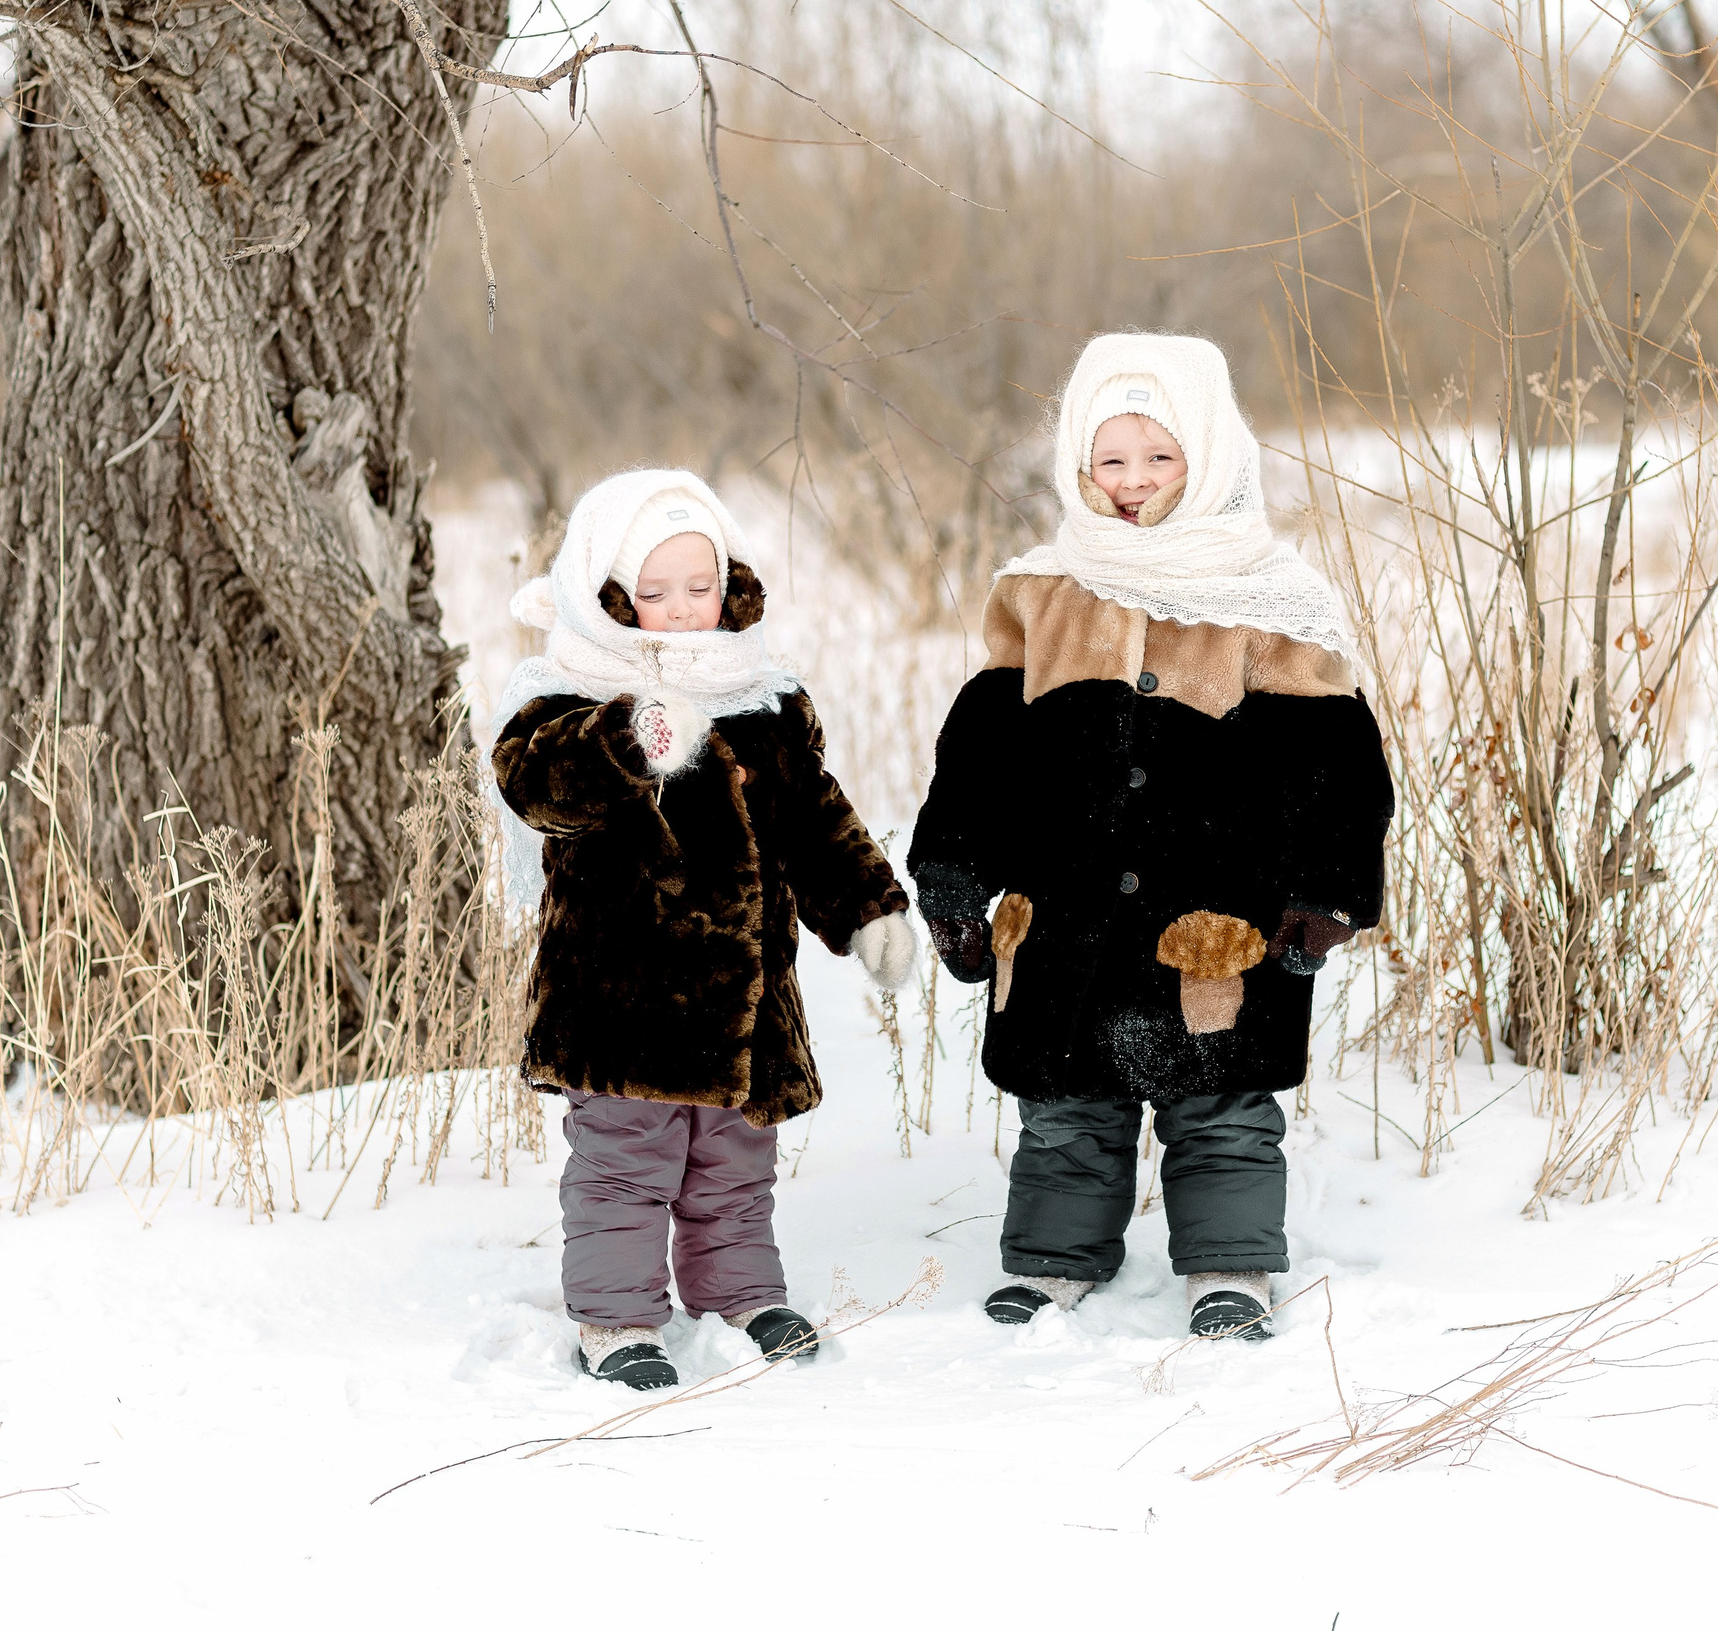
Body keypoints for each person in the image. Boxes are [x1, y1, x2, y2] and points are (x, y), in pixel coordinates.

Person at [909, 334, 1393, 1341]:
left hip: (1217, 910)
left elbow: (1337, 765)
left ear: (1210, 455)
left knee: (1220, 1102)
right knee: (1065, 1101)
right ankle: (1052, 1263)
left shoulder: (1272, 599)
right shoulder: (1043, 592)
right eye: (1110, 460)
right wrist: (956, 867)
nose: (1131, 484)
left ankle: (1229, 1267)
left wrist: (1328, 889)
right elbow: (982, 752)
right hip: (1065, 907)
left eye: (1159, 458)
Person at [493, 469, 916, 1389]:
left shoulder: (762, 703)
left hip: (745, 1004)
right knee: (624, 1166)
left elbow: (817, 823)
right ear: (608, 596)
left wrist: (869, 907)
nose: (684, 610)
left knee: (734, 1164)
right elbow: (534, 788)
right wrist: (627, 737)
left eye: (703, 587)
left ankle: (741, 1294)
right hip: (622, 1005)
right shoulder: (566, 699)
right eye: (655, 593)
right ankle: (615, 1318)